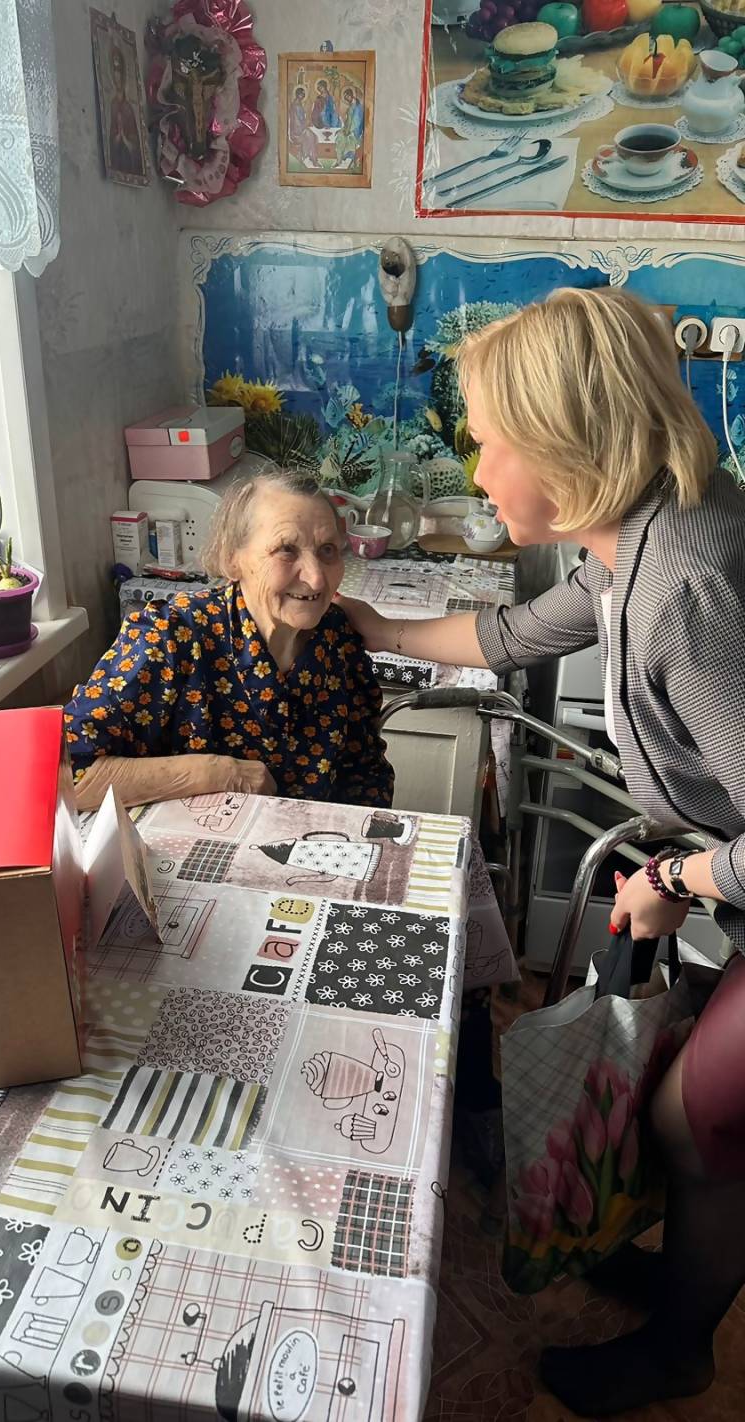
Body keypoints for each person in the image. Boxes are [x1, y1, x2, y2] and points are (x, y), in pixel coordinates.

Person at [337, 287, 745, 1417]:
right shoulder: (641, 534)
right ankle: (684, 1274)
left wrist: (673, 879)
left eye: (487, 443)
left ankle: (681, 1347)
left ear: (564, 444)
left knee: (697, 1121)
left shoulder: (681, 589)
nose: (477, 473)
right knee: (696, 1119)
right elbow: (516, 634)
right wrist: (374, 626)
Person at [65, 470, 393, 812]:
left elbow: (365, 771)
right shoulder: (171, 635)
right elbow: (65, 774)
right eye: (286, 550)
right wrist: (218, 773)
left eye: (327, 550)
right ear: (231, 559)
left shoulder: (337, 636)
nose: (316, 578)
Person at [107, 45, 145, 177]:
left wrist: (125, 139)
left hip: (130, 163)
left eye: (119, 70)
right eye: (114, 70)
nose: (117, 75)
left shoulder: (129, 108)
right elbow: (111, 142)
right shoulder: (112, 106)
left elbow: (136, 148)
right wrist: (117, 138)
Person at [288, 85, 319, 168]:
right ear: (298, 94)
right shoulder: (295, 106)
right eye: (302, 94)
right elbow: (296, 122)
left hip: (301, 128)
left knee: (314, 136)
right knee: (311, 136)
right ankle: (311, 158)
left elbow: (302, 119)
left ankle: (310, 157)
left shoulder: (299, 104)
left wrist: (306, 123)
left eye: (304, 94)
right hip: (296, 132)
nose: (303, 96)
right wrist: (305, 125)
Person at [335, 87, 365, 168]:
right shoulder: (351, 106)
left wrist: (349, 131)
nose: (347, 99)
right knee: (339, 136)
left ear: (351, 95)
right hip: (349, 129)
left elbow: (357, 121)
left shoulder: (358, 107)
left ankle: (349, 160)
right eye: (345, 98)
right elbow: (348, 121)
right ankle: (339, 160)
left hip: (355, 131)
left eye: (347, 96)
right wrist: (343, 129)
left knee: (347, 139)